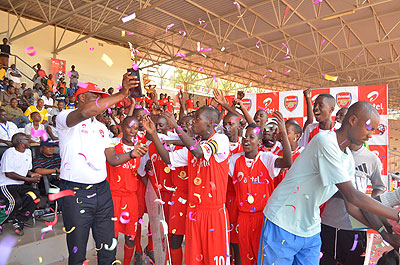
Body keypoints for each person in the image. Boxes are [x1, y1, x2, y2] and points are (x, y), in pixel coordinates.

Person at [258, 101, 400, 265]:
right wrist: (396, 216)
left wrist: (384, 233)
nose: (370, 135)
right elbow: (353, 196)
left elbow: (352, 207)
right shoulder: (325, 142)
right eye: (369, 128)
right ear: (353, 120)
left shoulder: (347, 161)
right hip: (282, 222)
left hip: (310, 229)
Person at [56, 74, 147, 265]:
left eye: (102, 97)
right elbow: (84, 113)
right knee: (78, 250)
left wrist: (132, 155)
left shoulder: (101, 127)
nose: (101, 102)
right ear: (81, 98)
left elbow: (112, 159)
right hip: (75, 192)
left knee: (108, 247)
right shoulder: (65, 117)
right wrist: (121, 94)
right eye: (95, 97)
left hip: (102, 191)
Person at [142, 106, 231, 265]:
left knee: (214, 259)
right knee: (194, 258)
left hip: (213, 213)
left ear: (210, 123)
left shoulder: (220, 140)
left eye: (197, 118)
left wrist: (176, 126)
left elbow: (200, 152)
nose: (194, 122)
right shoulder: (193, 146)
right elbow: (168, 159)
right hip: (193, 212)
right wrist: (154, 134)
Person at [230, 115, 292, 265]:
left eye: (251, 137)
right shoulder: (233, 160)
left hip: (263, 218)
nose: (246, 140)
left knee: (263, 257)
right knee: (245, 257)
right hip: (243, 217)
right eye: (245, 136)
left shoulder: (267, 158)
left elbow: (287, 161)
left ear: (259, 141)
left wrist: (283, 132)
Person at [320, 142, 386, 265]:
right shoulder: (334, 152)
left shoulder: (372, 158)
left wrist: (369, 204)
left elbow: (379, 187)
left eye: (371, 130)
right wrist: (345, 193)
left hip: (357, 225)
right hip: (328, 222)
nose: (369, 135)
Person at [106, 116, 147, 265]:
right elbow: (113, 159)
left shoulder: (141, 148)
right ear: (122, 127)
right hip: (112, 197)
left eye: (135, 128)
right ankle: (111, 261)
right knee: (112, 236)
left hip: (130, 199)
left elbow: (141, 173)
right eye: (129, 126)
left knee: (130, 236)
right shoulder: (112, 143)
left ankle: (127, 262)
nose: (132, 130)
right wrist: (131, 155)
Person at [0, 133, 41, 235]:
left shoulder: (28, 152)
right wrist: (28, 179)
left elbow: (26, 170)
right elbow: (8, 173)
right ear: (20, 142)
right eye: (27, 139)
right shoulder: (9, 153)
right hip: (7, 185)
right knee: (15, 201)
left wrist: (32, 175)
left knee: (35, 195)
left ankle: (19, 220)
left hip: (20, 184)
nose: (30, 140)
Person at [222, 112, 243, 264]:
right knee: (225, 241)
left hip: (240, 201)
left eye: (231, 124)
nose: (227, 127)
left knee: (238, 243)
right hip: (222, 200)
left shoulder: (247, 145)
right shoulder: (219, 145)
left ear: (240, 126)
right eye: (225, 124)